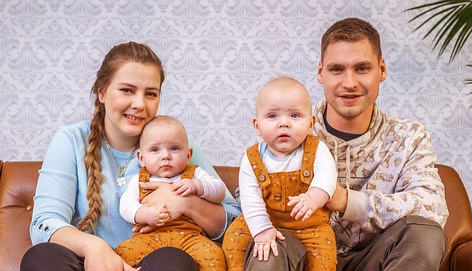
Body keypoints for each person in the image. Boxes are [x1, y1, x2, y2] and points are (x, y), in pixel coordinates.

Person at [236, 17, 450, 271]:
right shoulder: (290, 126)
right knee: (269, 248)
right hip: (300, 256)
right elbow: (246, 194)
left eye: (362, 68)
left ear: (381, 70)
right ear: (320, 73)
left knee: (425, 233)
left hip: (376, 260)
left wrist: (346, 201)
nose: (349, 82)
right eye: (337, 69)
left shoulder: (408, 137)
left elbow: (433, 207)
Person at [20, 41, 240, 271]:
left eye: (151, 94)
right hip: (88, 264)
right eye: (127, 90)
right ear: (102, 92)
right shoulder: (71, 140)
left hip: (150, 262)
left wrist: (187, 203)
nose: (139, 104)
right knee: (41, 258)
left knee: (175, 262)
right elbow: (43, 223)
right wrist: (94, 248)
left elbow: (234, 220)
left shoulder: (172, 146)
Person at [222, 76, 338, 271]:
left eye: (294, 115)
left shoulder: (317, 149)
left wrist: (313, 197)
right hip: (266, 218)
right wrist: (262, 230)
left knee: (324, 255)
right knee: (234, 239)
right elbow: (250, 199)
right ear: (257, 126)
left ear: (310, 124)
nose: (284, 123)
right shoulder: (252, 158)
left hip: (309, 225)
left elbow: (327, 177)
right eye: (272, 116)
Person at [115, 115, 227, 270]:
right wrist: (145, 214)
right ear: (141, 158)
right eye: (155, 149)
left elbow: (220, 190)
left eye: (174, 148)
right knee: (123, 253)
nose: (165, 156)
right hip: (149, 238)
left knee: (214, 256)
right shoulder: (140, 180)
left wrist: (197, 186)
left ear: (188, 155)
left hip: (192, 237)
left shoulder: (194, 174)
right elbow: (126, 206)